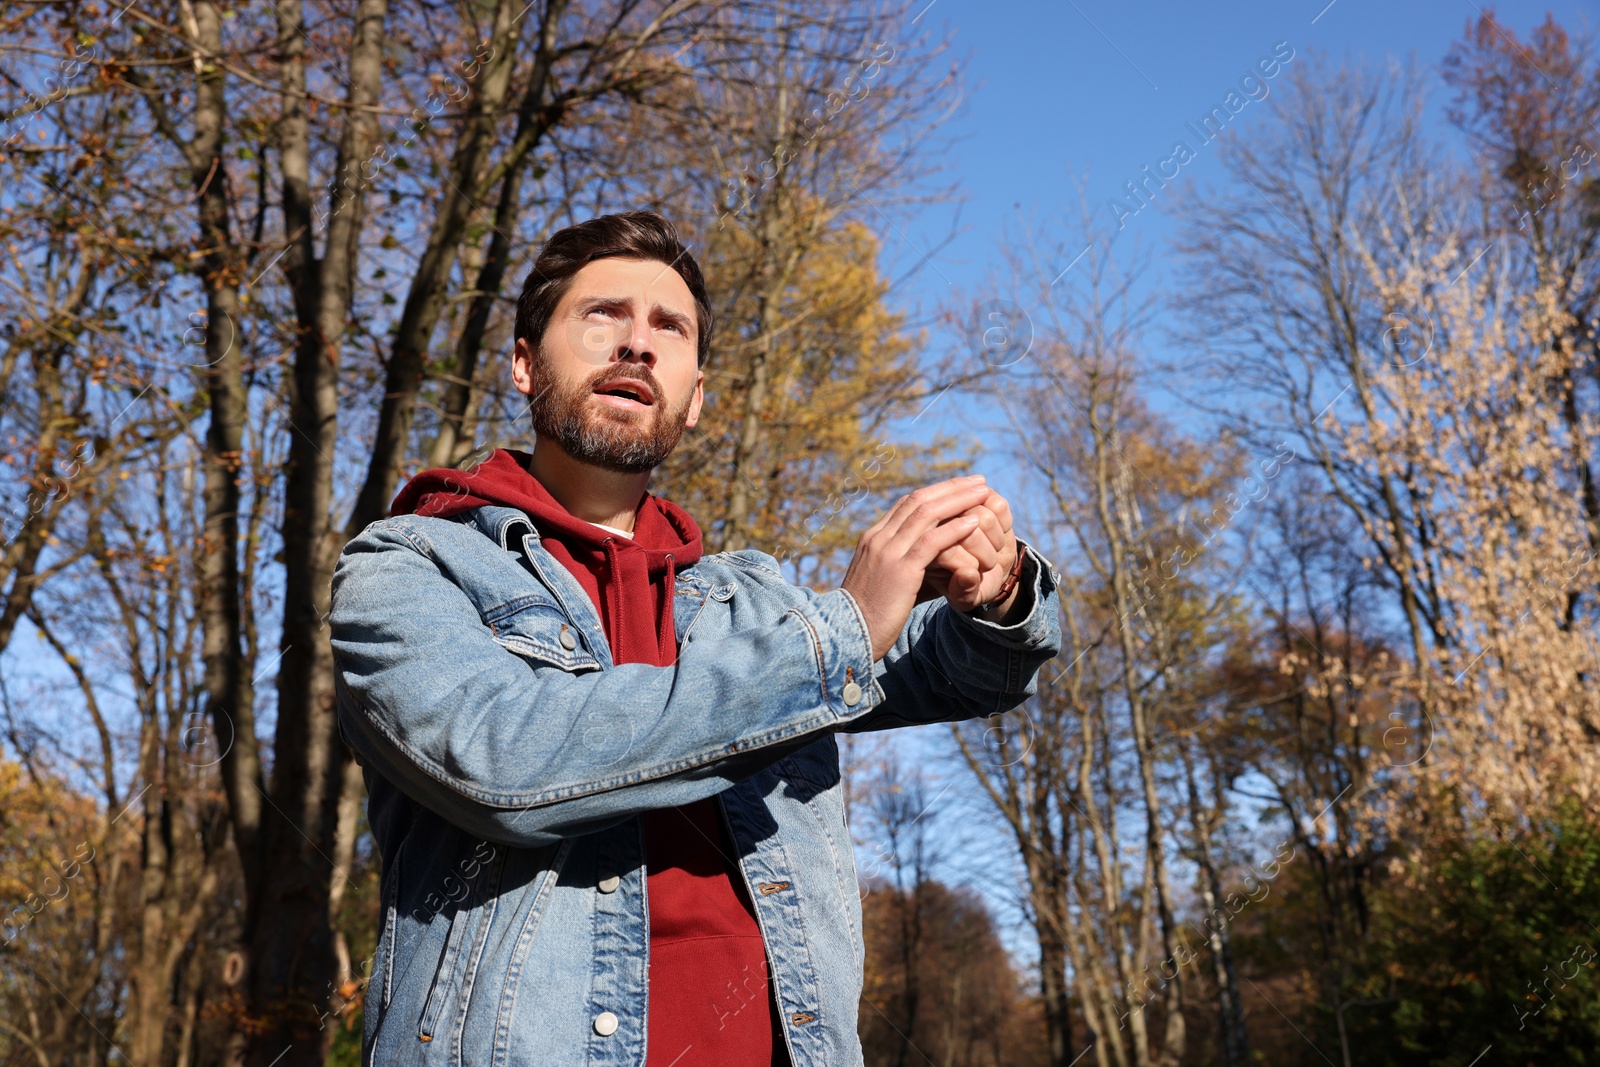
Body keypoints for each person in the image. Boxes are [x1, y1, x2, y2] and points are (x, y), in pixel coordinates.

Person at [329, 209, 1062, 1067]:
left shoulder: (743, 605)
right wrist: (840, 632)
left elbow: (963, 673)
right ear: (525, 364)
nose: (637, 344)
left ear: (697, 395)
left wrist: (999, 591)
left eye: (668, 327)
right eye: (602, 315)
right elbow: (501, 761)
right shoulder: (409, 565)